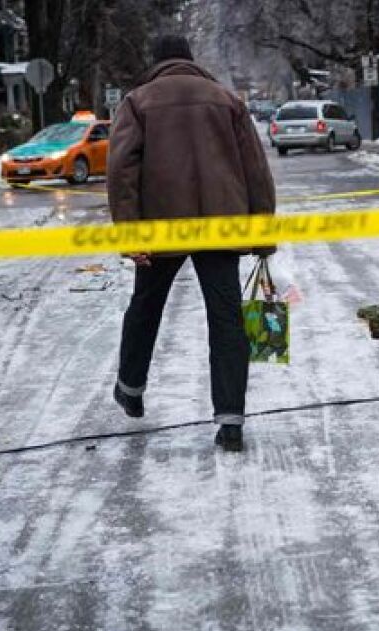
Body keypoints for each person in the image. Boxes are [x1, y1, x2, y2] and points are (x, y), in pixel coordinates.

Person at [107, 35, 276, 451]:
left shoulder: (137, 102)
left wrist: (130, 234)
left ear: (156, 62)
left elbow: (122, 171)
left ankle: (130, 388)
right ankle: (231, 421)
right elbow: (255, 168)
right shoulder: (226, 100)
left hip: (162, 225)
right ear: (190, 59)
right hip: (221, 224)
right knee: (227, 318)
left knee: (146, 306)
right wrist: (262, 232)